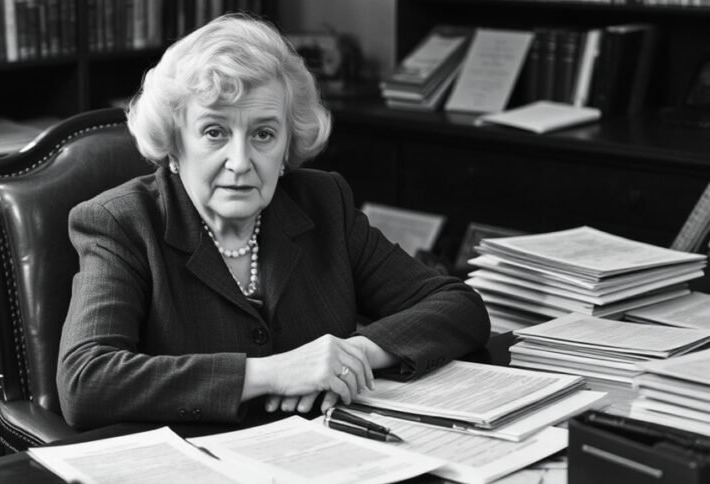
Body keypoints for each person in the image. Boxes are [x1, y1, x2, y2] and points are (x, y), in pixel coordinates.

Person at [57, 14, 490, 430]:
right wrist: (272, 374)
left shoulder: (323, 203)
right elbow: (86, 381)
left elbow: (456, 305)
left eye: (263, 133)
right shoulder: (123, 223)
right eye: (214, 132)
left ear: (286, 148)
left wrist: (350, 353)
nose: (241, 162)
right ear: (174, 145)